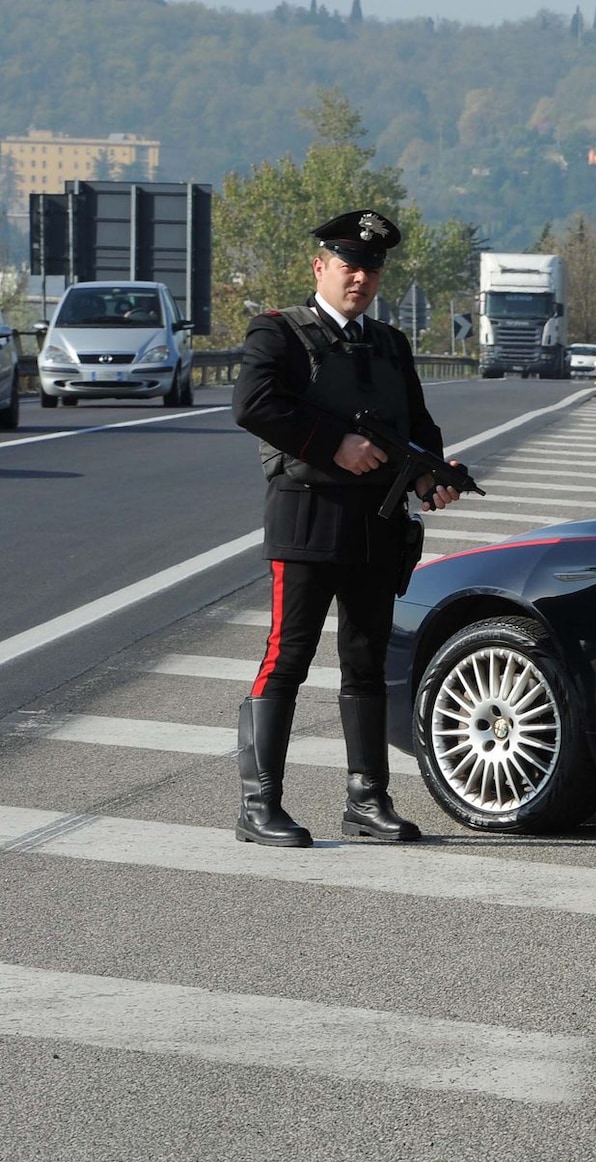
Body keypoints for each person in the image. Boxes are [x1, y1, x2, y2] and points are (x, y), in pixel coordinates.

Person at [231, 209, 465, 848]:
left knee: (366, 662)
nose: (360, 278)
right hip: (306, 517)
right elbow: (253, 404)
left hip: (376, 523)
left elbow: (418, 425)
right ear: (320, 267)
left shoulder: (389, 343)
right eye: (348, 265)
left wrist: (430, 476)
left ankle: (367, 800)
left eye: (371, 269)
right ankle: (259, 804)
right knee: (288, 657)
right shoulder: (278, 332)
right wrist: (334, 443)